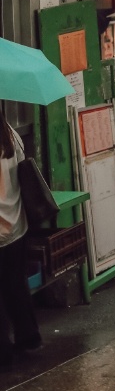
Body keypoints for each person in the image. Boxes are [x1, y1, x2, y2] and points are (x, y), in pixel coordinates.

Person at [0, 109, 41, 366]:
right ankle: (29, 336)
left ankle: (2, 353)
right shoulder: (11, 135)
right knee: (15, 285)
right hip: (16, 226)